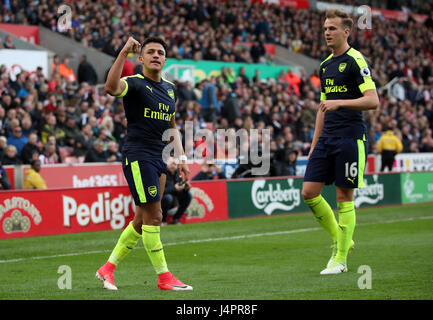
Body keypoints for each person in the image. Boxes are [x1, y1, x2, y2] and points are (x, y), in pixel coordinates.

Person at [97, 36, 192, 291]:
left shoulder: (170, 89)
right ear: (141, 59)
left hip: (160, 158)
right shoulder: (135, 84)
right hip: (139, 156)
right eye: (150, 52)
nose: (156, 55)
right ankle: (164, 277)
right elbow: (111, 88)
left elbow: (172, 126)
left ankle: (108, 269)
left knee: (141, 219)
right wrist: (123, 52)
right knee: (156, 216)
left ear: (165, 59)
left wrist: (181, 159)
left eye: (160, 52)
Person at [301, 9, 379, 275]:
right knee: (309, 192)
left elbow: (373, 100)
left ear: (346, 31)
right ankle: (341, 238)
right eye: (325, 28)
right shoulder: (324, 66)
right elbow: (323, 108)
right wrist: (313, 144)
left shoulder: (356, 60)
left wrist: (340, 102)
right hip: (326, 139)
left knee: (344, 196)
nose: (327, 32)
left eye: (332, 28)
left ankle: (341, 258)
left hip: (349, 138)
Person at [161, 157, 192, 225]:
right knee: (168, 198)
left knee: (188, 196)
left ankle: (175, 219)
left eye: (175, 164)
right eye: (172, 163)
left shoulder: (178, 173)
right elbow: (160, 191)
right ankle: (163, 220)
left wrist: (185, 188)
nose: (173, 165)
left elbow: (180, 185)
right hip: (162, 200)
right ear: (166, 164)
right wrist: (174, 188)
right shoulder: (162, 173)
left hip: (174, 200)